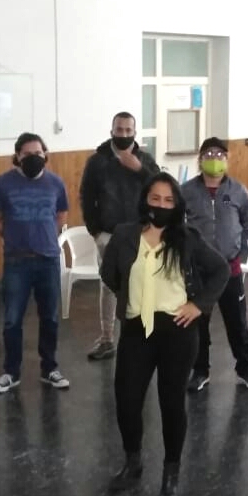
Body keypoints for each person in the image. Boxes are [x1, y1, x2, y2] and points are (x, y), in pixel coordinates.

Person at [101, 173, 229, 496]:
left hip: (177, 332)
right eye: (155, 198)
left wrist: (198, 305)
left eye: (168, 200)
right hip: (136, 330)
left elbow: (220, 270)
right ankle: (133, 462)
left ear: (177, 205)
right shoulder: (125, 235)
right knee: (127, 401)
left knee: (171, 404)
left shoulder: (188, 238)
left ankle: (171, 473)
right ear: (145, 200)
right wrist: (131, 296)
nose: (161, 205)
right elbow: (109, 273)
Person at [0, 133, 70, 394]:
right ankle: (11, 372)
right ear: (17, 156)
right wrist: (13, 236)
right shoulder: (3, 183)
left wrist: (47, 235)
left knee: (50, 317)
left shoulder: (56, 183)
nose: (34, 157)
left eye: (38, 153)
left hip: (48, 259)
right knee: (12, 319)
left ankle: (50, 369)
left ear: (45, 155)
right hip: (16, 261)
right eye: (27, 154)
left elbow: (62, 214)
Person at [180, 138, 248, 394]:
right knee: (198, 323)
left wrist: (236, 247)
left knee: (237, 321)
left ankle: (245, 369)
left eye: (219, 155)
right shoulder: (186, 191)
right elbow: (177, 224)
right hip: (199, 271)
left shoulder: (237, 191)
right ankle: (200, 371)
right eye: (208, 154)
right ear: (200, 160)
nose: (214, 159)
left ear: (226, 160)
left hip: (229, 268)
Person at [80, 111, 160, 361]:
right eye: (119, 129)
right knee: (108, 286)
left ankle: (144, 337)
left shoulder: (145, 160)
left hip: (140, 233)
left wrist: (140, 169)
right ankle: (107, 339)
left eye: (128, 130)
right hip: (109, 234)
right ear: (112, 131)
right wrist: (95, 231)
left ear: (135, 132)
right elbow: (86, 197)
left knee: (142, 285)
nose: (123, 134)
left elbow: (160, 188)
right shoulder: (98, 161)